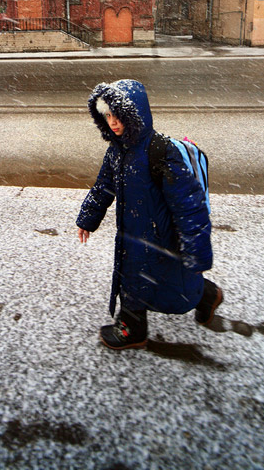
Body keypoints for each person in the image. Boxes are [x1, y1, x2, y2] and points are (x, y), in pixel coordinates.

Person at [76, 79, 223, 350]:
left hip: (161, 236)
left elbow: (189, 205)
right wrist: (88, 217)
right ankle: (133, 328)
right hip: (132, 233)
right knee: (133, 278)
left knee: (174, 281)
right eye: (108, 115)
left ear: (136, 115)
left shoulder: (160, 152)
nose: (113, 123)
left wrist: (197, 250)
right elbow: (103, 186)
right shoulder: (116, 151)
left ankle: (207, 295)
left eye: (119, 116)